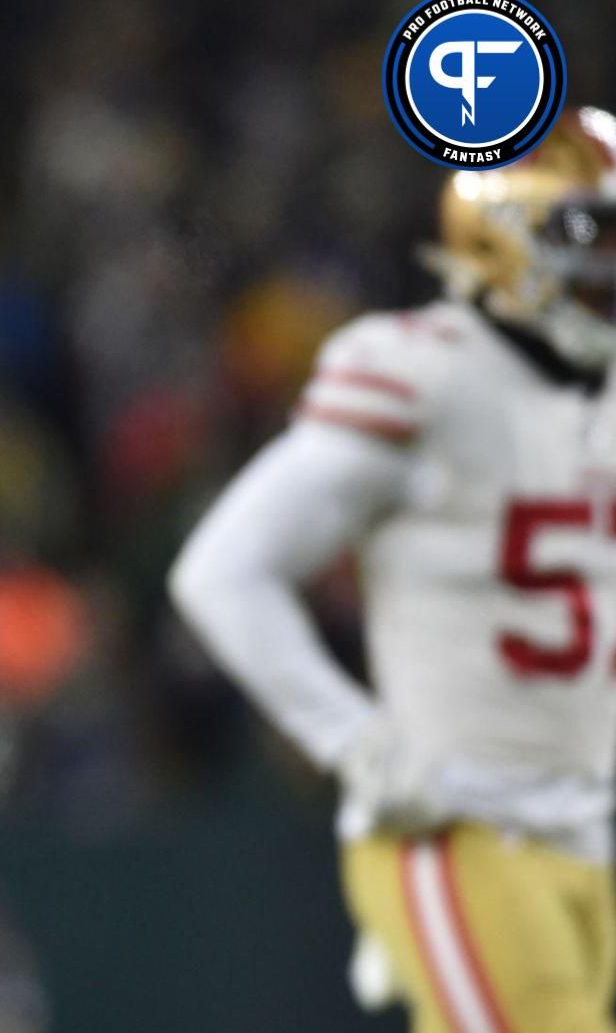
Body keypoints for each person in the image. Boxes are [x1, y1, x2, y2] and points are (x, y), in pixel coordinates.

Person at [171, 108, 616, 1032]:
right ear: (506, 228)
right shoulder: (425, 372)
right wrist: (356, 742)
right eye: (593, 233)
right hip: (463, 827)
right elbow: (223, 571)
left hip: (592, 823)